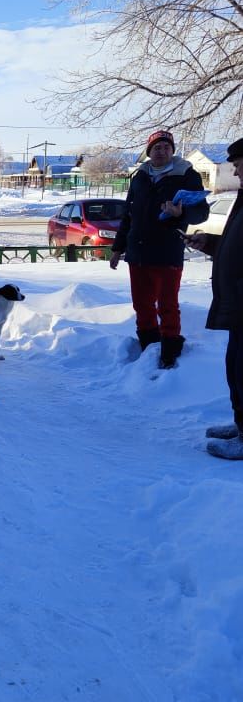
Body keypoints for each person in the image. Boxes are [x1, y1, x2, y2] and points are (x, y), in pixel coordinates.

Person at [110, 129, 208, 368]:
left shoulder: (186, 174)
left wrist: (182, 212)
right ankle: (148, 345)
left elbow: (201, 212)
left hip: (167, 251)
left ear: (172, 151)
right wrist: (117, 247)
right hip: (138, 252)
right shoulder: (140, 176)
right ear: (149, 152)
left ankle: (169, 350)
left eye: (166, 147)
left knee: (167, 304)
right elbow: (128, 215)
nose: (161, 151)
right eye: (156, 147)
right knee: (141, 304)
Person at [185, 138, 243, 459]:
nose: (234, 170)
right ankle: (241, 423)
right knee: (234, 366)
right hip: (236, 300)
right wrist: (210, 242)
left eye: (238, 164)